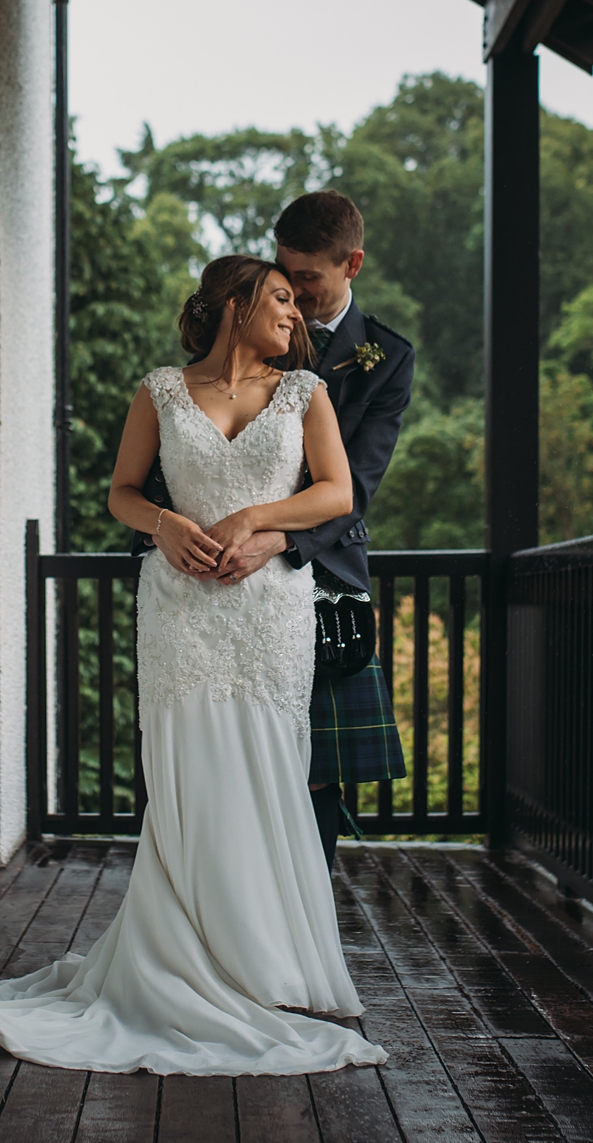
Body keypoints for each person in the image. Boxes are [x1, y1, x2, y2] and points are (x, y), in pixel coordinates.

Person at [0, 255, 387, 1075]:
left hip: (269, 611)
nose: (295, 315)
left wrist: (257, 516)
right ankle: (191, 956)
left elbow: (338, 492)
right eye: (280, 298)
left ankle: (271, 965)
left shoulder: (305, 393)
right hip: (180, 611)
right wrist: (163, 523)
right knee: (190, 774)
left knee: (271, 769)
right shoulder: (160, 390)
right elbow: (122, 491)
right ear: (236, 303)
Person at [146, 192, 415, 869]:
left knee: (315, 762)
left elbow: (356, 487)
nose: (293, 293)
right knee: (216, 754)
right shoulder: (231, 344)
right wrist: (165, 529)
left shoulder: (385, 357)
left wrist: (280, 540)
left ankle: (306, 915)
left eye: (309, 280)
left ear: (351, 263)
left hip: (320, 579)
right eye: (284, 277)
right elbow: (175, 460)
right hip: (209, 584)